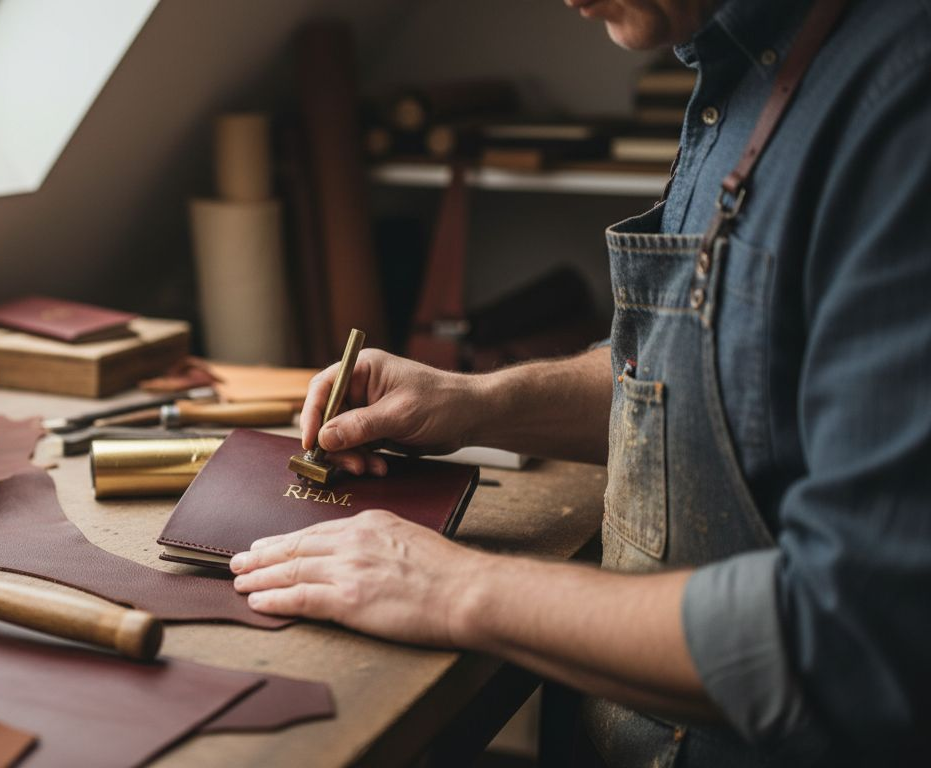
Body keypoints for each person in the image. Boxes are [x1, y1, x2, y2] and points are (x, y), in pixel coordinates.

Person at [231, 0, 931, 764]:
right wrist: (474, 403)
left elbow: (853, 639)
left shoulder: (902, 100)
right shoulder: (740, 63)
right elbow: (713, 367)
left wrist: (450, 590)